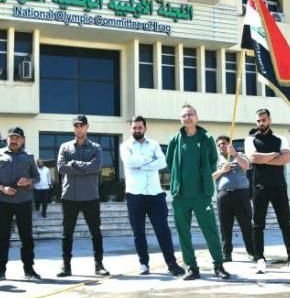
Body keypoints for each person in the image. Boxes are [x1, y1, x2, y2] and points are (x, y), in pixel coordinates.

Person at [165, 104, 231, 281]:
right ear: (180, 119)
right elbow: (170, 162)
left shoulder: (206, 138)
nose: (188, 118)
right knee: (183, 233)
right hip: (180, 195)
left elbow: (212, 160)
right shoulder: (175, 140)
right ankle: (192, 268)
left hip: (202, 194)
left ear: (197, 117)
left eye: (191, 114)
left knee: (210, 231)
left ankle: (218, 266)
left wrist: (204, 177)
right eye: (184, 115)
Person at [120, 115, 185, 277]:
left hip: (155, 194)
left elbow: (162, 163)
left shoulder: (154, 144)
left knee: (163, 230)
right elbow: (129, 163)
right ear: (130, 129)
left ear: (145, 128)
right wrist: (150, 161)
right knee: (138, 232)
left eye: (140, 127)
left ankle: (171, 264)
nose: (137, 130)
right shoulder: (125, 146)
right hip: (135, 195)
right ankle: (143, 263)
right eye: (134, 128)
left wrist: (141, 164)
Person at [245, 108, 290, 273]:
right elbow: (253, 158)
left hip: (279, 187)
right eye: (258, 121)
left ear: (269, 120)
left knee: (285, 223)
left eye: (264, 120)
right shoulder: (251, 139)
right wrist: (276, 155)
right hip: (259, 187)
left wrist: (264, 158)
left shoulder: (280, 138)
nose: (261, 123)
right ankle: (260, 259)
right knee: (258, 225)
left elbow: (287, 158)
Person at [57, 114, 108, 277]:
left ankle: (99, 265)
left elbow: (96, 167)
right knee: (67, 234)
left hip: (90, 197)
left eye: (82, 126)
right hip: (69, 197)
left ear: (87, 127)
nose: (79, 129)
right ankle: (66, 266)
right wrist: (85, 167)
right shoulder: (65, 147)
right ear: (73, 128)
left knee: (95, 232)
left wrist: (74, 164)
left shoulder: (96, 147)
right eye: (76, 126)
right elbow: (61, 168)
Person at [0, 127, 41, 281]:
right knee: (1, 238)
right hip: (3, 202)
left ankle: (29, 270)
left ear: (22, 140)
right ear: (7, 139)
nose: (14, 140)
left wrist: (28, 181)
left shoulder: (29, 156)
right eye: (12, 137)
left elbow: (37, 177)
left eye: (17, 138)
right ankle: (0, 271)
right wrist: (2, 188)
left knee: (26, 238)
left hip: (24, 202)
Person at [213, 135, 255, 263]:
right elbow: (210, 177)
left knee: (246, 224)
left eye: (224, 143)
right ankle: (226, 254)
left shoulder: (240, 154)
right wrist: (222, 170)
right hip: (223, 195)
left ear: (229, 144)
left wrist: (235, 154)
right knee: (225, 226)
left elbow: (247, 166)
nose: (221, 146)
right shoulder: (216, 159)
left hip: (241, 194)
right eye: (219, 145)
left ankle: (252, 252)